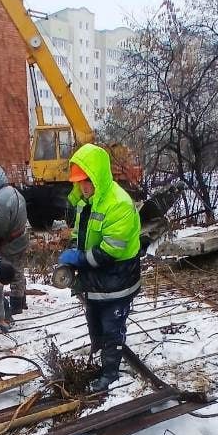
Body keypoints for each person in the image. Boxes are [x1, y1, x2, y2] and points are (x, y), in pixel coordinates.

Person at [58, 143, 141, 392]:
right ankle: (102, 356)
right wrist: (73, 249)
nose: (83, 187)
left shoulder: (118, 204)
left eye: (87, 181)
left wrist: (79, 258)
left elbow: (109, 251)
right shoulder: (87, 201)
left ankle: (110, 373)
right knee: (94, 321)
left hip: (117, 278)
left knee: (112, 327)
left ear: (98, 177)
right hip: (95, 279)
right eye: (80, 182)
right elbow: (80, 234)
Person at [0, 164, 29, 316]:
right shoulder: (15, 192)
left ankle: (14, 307)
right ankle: (21, 302)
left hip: (10, 244)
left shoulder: (0, 200)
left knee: (6, 273)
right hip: (21, 239)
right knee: (19, 272)